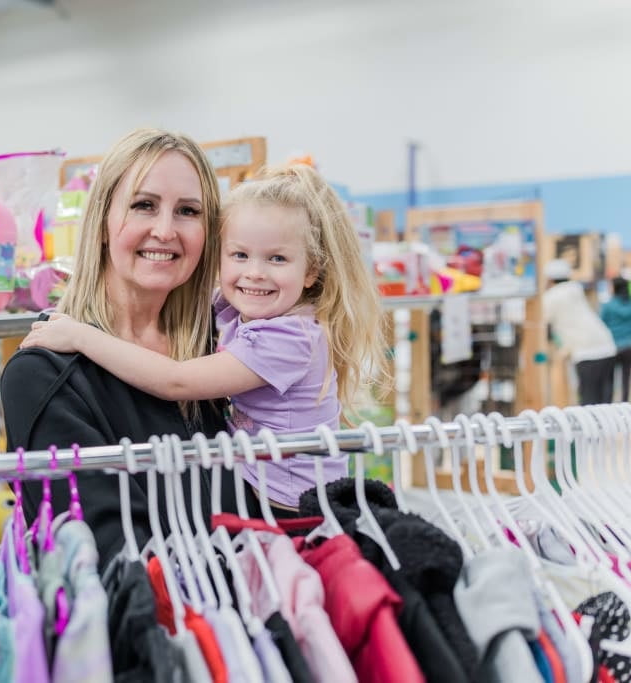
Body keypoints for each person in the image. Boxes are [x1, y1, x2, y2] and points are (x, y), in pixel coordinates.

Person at [21, 163, 388, 510]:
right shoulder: (238, 308)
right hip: (259, 486)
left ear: (311, 272)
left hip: (290, 504)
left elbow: (177, 381)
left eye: (277, 259)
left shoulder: (289, 338)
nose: (254, 273)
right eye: (240, 255)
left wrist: (81, 336)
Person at [0, 128, 237, 566]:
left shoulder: (223, 349)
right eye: (143, 205)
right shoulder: (44, 375)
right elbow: (107, 555)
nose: (165, 230)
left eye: (188, 211)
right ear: (104, 224)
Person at [541, 258, 616, 404]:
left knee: (588, 401)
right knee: (605, 402)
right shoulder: (576, 288)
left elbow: (543, 324)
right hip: (607, 344)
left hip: (586, 351)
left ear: (549, 278)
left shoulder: (550, 297)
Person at [601, 276, 631, 401]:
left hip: (612, 346)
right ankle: (624, 403)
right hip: (629, 346)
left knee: (609, 378)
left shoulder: (608, 306)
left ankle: (609, 404)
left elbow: (602, 324)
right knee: (626, 377)